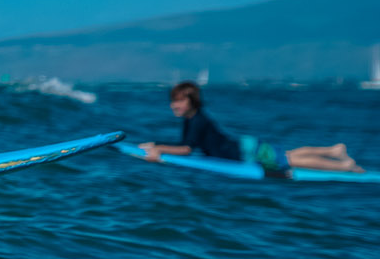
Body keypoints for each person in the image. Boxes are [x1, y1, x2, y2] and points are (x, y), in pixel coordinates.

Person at [133, 82, 364, 174]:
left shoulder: (198, 120)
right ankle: (333, 150)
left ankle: (344, 166)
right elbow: (186, 145)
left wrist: (158, 148)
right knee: (288, 155)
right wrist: (159, 147)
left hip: (245, 153)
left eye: (178, 101)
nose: (173, 105)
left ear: (191, 101)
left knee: (290, 160)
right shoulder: (191, 119)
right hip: (244, 147)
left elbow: (186, 150)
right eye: (172, 101)